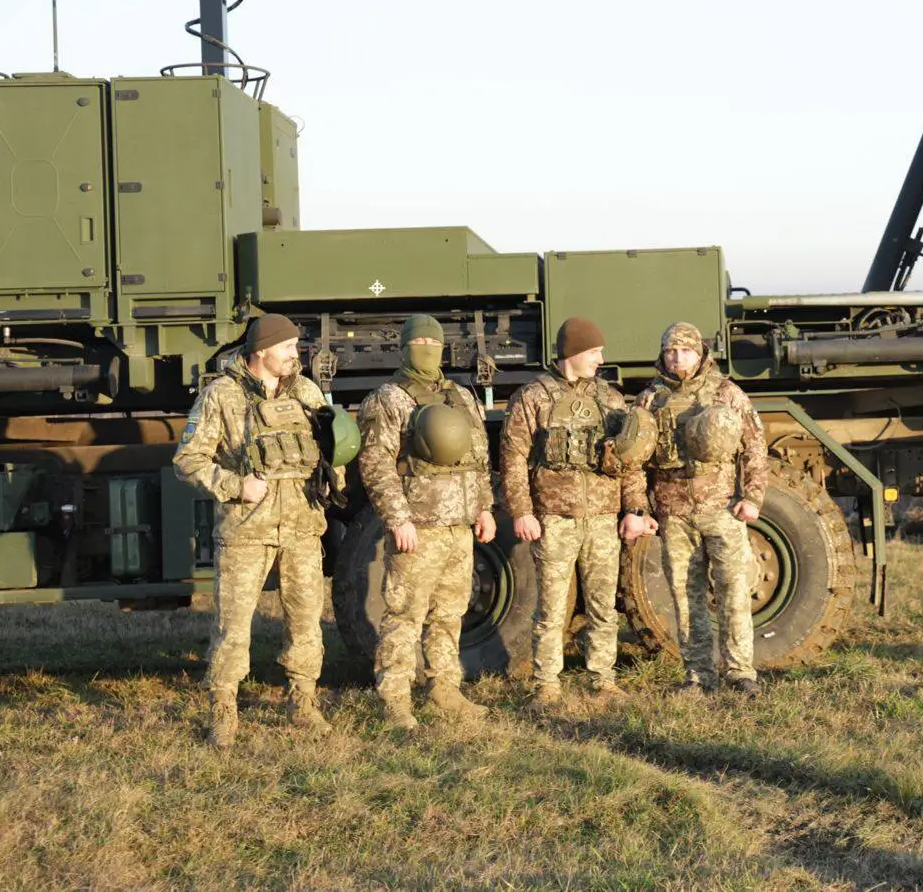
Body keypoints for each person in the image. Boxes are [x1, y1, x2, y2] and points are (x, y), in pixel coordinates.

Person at [173, 313, 338, 747]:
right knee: (233, 626)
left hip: (301, 528)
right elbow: (187, 460)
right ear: (261, 350)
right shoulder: (221, 395)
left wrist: (331, 476)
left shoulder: (306, 391)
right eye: (288, 347)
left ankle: (303, 701)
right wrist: (234, 485)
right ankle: (223, 708)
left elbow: (331, 448)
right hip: (246, 531)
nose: (296, 354)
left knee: (306, 622)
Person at [500, 317, 652, 707]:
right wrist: (522, 510)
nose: (600, 359)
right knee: (551, 608)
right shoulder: (533, 397)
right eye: (594, 352)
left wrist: (634, 509)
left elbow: (630, 460)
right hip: (554, 519)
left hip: (602, 518)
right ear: (573, 352)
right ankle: (547, 685)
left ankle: (604, 680)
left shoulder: (610, 399)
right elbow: (513, 459)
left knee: (603, 606)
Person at [356, 314, 496, 729]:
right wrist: (397, 518)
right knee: (404, 614)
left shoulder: (461, 396)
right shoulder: (388, 399)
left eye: (433, 344)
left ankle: (445, 688)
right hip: (417, 527)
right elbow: (375, 464)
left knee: (450, 613)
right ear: (404, 348)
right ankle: (395, 698)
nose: (427, 350)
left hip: (459, 526)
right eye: (419, 343)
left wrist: (484, 507)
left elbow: (479, 458)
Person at [635, 321, 768, 696]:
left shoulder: (726, 393)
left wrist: (752, 497)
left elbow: (755, 447)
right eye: (670, 351)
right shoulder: (650, 399)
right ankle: (698, 675)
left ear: (700, 353)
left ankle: (740, 673)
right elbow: (634, 461)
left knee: (734, 593)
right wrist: (642, 508)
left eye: (685, 351)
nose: (677, 358)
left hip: (721, 509)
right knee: (685, 598)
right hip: (674, 513)